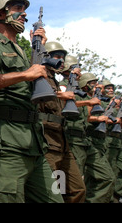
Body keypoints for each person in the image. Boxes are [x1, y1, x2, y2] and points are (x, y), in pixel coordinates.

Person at [0, 0, 64, 203]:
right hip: (5, 142)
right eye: (18, 8)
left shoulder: (20, 49)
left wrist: (37, 51)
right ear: (1, 13)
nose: (24, 14)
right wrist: (24, 74)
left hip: (33, 141)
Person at [38, 41, 86, 203]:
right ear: (47, 57)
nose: (61, 61)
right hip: (47, 141)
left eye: (62, 58)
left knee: (76, 189)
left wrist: (73, 86)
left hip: (62, 140)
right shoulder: (39, 74)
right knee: (51, 191)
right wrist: (60, 94)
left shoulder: (56, 81)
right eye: (57, 56)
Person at [69, 73, 115, 203]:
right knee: (72, 183)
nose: (96, 87)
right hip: (74, 142)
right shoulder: (76, 96)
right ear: (85, 84)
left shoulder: (94, 100)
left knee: (107, 177)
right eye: (93, 83)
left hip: (87, 142)